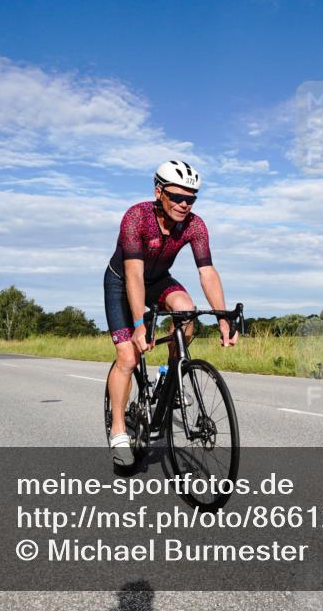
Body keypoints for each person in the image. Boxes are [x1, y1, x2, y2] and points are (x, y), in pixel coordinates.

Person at [104, 160, 238, 466]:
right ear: (158, 192)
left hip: (159, 280)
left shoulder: (195, 225)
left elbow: (207, 273)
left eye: (191, 199)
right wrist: (140, 324)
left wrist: (222, 317)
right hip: (122, 281)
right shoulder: (136, 217)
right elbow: (134, 276)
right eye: (177, 197)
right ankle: (119, 430)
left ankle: (171, 380)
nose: (183, 204)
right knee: (128, 356)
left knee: (186, 314)